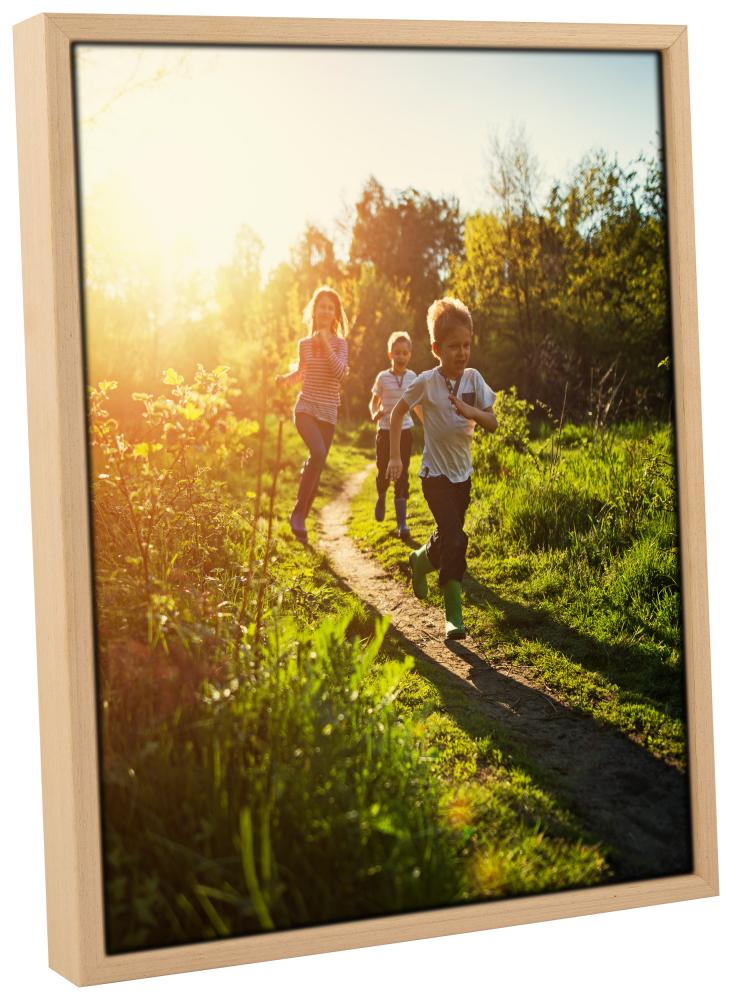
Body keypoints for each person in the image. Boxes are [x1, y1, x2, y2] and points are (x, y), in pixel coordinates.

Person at [387, 297, 497, 640]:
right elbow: (396, 414)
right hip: (434, 475)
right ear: (436, 348)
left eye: (466, 345)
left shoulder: (475, 379)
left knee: (449, 538)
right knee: (457, 537)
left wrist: (471, 411)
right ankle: (453, 616)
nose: (461, 353)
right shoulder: (426, 382)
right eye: (453, 347)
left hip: (462, 478)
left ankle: (419, 560)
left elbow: (492, 423)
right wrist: (395, 457)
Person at [276, 286, 349, 544]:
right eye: (322, 306)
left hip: (329, 413)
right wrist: (286, 379)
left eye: (331, 307)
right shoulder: (304, 344)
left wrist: (327, 344)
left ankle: (301, 517)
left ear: (335, 314)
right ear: (315, 311)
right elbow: (302, 372)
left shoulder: (340, 344)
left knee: (316, 465)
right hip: (305, 408)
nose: (326, 311)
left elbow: (341, 374)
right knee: (318, 454)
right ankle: (298, 513)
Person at [369, 331, 418, 540]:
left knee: (402, 473)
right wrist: (374, 413)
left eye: (405, 353)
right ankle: (381, 495)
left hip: (405, 431)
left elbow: (418, 404)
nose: (401, 356)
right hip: (385, 430)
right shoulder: (382, 377)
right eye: (397, 352)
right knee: (383, 470)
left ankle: (401, 524)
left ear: (410, 355)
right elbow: (373, 401)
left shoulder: (413, 377)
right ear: (390, 354)